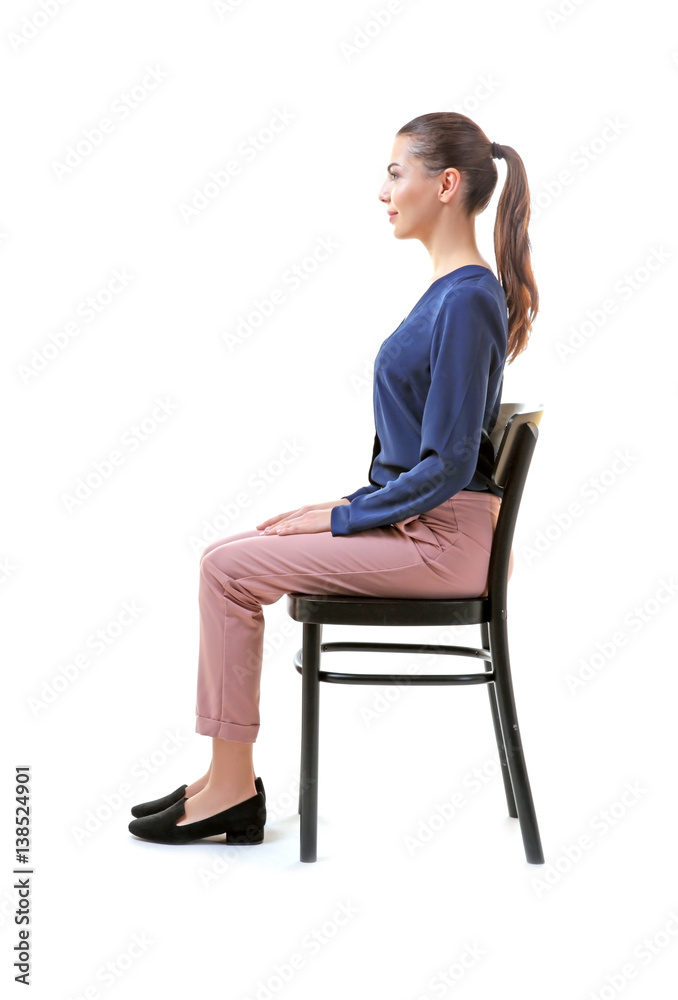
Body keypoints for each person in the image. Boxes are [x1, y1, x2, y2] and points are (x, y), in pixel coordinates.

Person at [128, 111, 538, 846]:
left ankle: (229, 787)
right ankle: (222, 776)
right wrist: (342, 504)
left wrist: (345, 519)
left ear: (446, 185)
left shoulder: (468, 298)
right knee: (238, 549)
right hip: (426, 529)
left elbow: (445, 466)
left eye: (394, 172)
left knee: (225, 568)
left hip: (439, 543)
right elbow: (424, 457)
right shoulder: (454, 292)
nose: (383, 190)